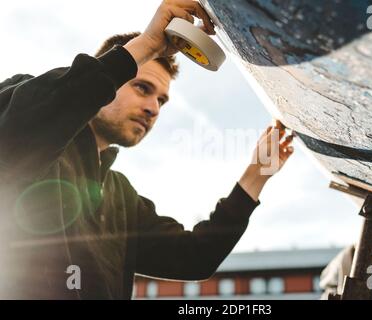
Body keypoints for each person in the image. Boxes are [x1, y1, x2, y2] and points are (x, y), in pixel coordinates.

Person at [0, 0, 294, 299]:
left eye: (162, 101)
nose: (153, 108)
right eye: (142, 88)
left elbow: (195, 258)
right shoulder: (25, 115)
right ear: (110, 77)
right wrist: (148, 45)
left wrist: (257, 174)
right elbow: (24, 129)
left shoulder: (120, 197)